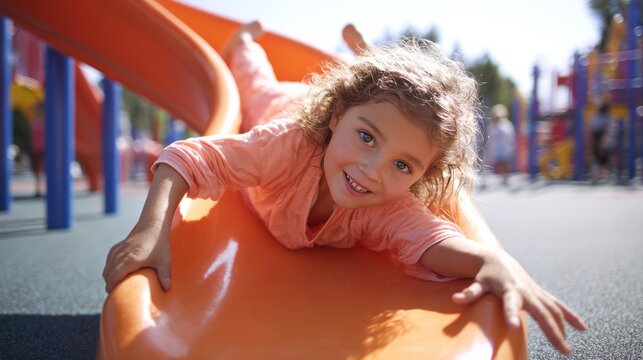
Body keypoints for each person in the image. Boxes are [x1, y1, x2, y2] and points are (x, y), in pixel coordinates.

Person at [103, 22, 586, 354]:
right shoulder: (286, 148)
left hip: (342, 106)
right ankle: (249, 41)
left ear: (421, 176)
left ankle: (362, 56)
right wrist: (150, 232)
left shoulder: (385, 203)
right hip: (285, 106)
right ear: (336, 120)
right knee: (254, 82)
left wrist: (493, 260)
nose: (373, 170)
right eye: (365, 137)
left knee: (386, 106)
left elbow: (435, 241)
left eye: (403, 164)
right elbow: (189, 156)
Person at [486, 104, 516, 186]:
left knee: (504, 164)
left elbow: (510, 136)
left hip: (505, 148)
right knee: (499, 165)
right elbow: (490, 139)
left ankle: (505, 177)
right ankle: (503, 178)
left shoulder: (506, 125)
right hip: (497, 149)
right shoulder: (492, 126)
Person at [589, 103, 613, 183]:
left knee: (601, 158)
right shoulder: (604, 118)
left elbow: (604, 130)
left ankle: (600, 175)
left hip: (601, 140)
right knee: (600, 158)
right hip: (600, 139)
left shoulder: (603, 118)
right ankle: (599, 175)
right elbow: (594, 131)